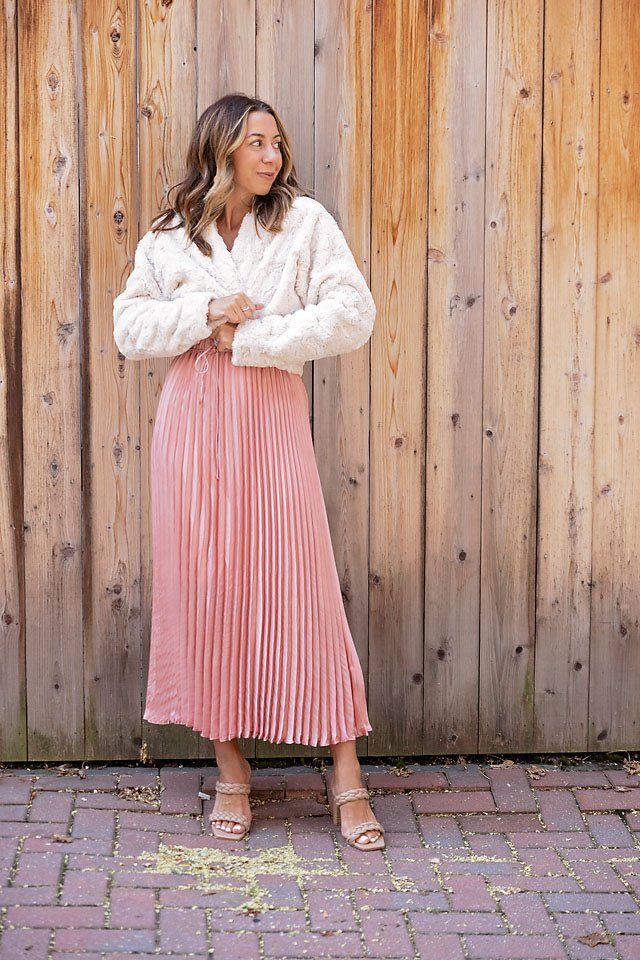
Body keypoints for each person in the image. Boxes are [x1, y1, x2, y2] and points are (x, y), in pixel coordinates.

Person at [113, 93, 384, 851]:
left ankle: (346, 773)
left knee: (300, 585)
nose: (271, 156)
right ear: (222, 148)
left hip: (268, 415)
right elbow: (129, 326)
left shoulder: (303, 224)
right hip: (192, 424)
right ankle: (231, 771)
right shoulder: (173, 237)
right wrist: (205, 316)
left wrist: (254, 336)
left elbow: (353, 312)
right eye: (256, 142)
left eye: (277, 143)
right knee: (205, 588)